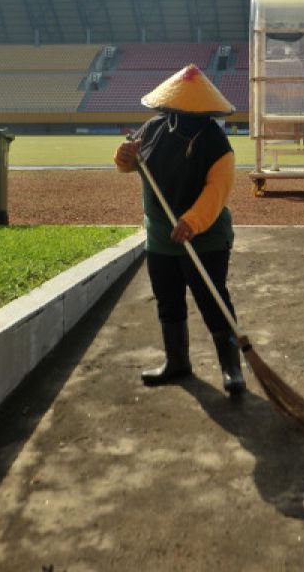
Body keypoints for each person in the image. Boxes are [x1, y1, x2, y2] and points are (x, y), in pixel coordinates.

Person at [113, 64, 244, 396]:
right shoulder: (154, 128)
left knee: (213, 300)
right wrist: (124, 156)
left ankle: (231, 368)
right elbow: (130, 165)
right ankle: (177, 363)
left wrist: (192, 221)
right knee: (168, 301)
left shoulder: (215, 141)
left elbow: (218, 190)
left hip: (205, 238)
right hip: (160, 237)